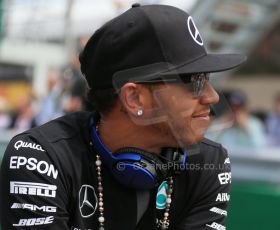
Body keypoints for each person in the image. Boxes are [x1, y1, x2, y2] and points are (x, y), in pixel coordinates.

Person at [0, 4, 245, 230]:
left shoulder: (209, 162)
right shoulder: (39, 157)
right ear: (135, 98)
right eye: (195, 82)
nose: (212, 97)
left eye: (207, 79)